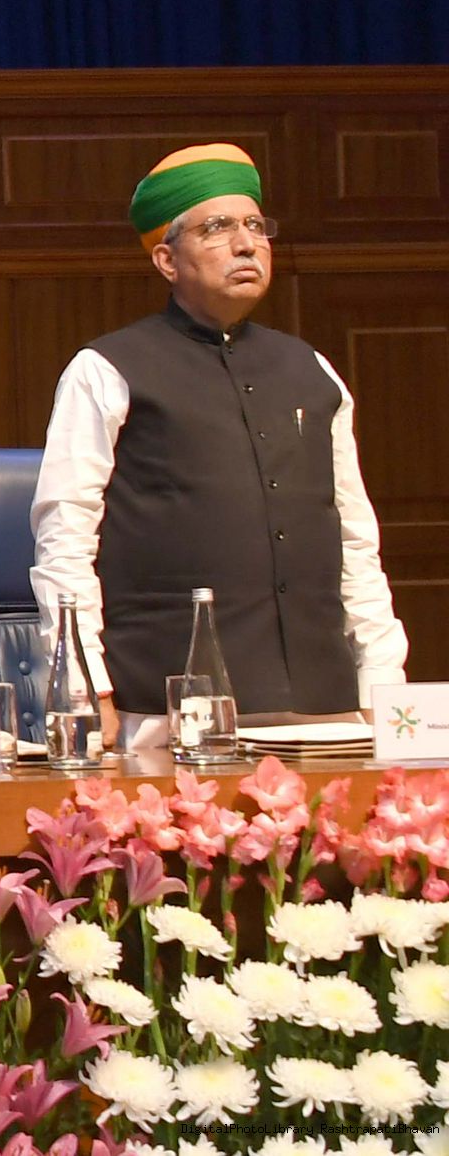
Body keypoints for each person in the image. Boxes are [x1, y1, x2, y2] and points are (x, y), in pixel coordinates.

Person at [31, 144, 407, 739]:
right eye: (217, 228)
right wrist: (86, 688)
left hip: (326, 707)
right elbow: (65, 536)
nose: (246, 244)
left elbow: (355, 540)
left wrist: (382, 685)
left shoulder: (312, 369)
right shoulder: (106, 369)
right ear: (166, 260)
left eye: (256, 225)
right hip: (167, 709)